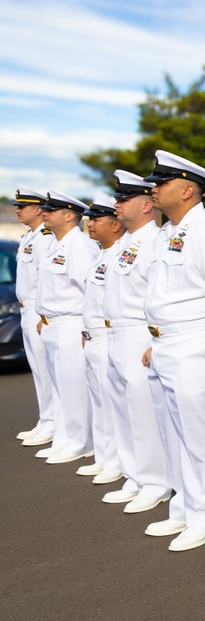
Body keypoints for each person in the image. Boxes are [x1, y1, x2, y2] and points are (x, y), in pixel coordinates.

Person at [143, 150, 205, 552]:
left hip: (193, 342)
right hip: (163, 343)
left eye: (161, 183)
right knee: (173, 433)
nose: (154, 189)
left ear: (188, 189)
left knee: (198, 434)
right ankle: (185, 506)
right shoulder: (167, 231)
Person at [101, 171, 172, 513]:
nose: (117, 204)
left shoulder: (154, 241)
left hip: (139, 333)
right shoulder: (125, 243)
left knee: (144, 412)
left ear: (146, 205)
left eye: (123, 199)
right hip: (116, 333)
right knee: (124, 410)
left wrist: (152, 339)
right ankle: (135, 475)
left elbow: (156, 295)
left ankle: (156, 481)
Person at [33, 191, 98, 464]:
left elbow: (89, 291)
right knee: (60, 387)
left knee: (74, 387)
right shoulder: (55, 243)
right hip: (52, 324)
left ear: (70, 215)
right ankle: (64, 438)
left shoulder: (79, 245)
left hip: (71, 324)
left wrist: (87, 328)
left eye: (52, 209)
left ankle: (80, 442)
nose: (44, 212)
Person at [77, 194, 125, 484]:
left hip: (110, 337)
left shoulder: (120, 253)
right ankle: (105, 457)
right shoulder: (101, 254)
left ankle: (117, 461)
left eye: (97, 219)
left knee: (113, 405)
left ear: (116, 224)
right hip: (93, 337)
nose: (90, 223)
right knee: (100, 403)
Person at [13, 188, 57, 448]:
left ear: (38, 209)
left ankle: (52, 423)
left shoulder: (44, 238)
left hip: (37, 310)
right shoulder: (29, 237)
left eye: (23, 206)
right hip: (25, 309)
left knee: (46, 369)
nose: (18, 210)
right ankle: (45, 419)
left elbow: (46, 280)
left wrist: (42, 312)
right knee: (38, 370)